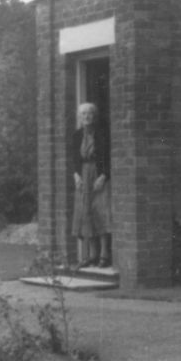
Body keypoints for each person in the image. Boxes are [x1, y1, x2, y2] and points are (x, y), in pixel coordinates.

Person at [71, 102, 113, 268]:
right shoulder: (76, 135)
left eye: (89, 114)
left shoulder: (102, 134)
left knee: (101, 211)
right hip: (83, 176)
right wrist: (76, 176)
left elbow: (109, 157)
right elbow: (74, 159)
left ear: (94, 117)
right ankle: (92, 255)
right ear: (80, 118)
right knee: (85, 212)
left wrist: (103, 176)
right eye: (83, 114)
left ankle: (104, 254)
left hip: (98, 175)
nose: (86, 117)